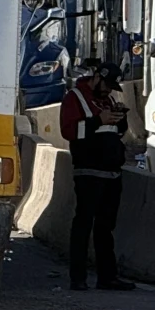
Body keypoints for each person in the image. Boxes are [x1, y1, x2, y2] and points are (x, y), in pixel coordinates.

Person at [61, 60, 136, 292]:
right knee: (83, 224)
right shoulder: (75, 97)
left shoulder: (109, 100)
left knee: (105, 227)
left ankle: (107, 277)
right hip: (89, 172)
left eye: (112, 87)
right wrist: (97, 120)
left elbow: (116, 132)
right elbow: (69, 131)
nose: (108, 91)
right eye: (106, 85)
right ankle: (78, 278)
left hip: (112, 172)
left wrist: (119, 120)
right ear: (97, 77)